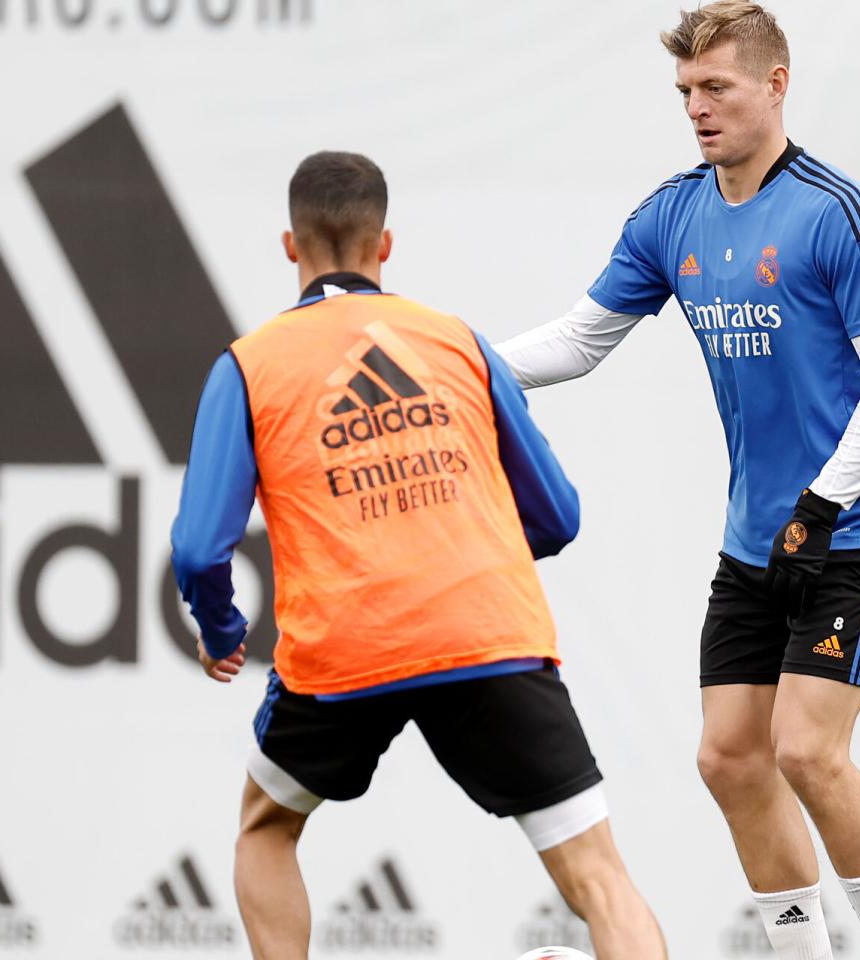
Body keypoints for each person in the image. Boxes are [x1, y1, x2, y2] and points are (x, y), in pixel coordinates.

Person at [495, 4, 860, 959]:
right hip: (758, 538)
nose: (697, 108)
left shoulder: (835, 213)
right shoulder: (672, 214)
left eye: (716, 88)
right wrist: (455, 361)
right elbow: (579, 340)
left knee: (808, 751)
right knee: (730, 757)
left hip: (858, 529)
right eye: (686, 92)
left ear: (776, 86)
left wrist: (823, 500)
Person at [171, 151, 666, 960]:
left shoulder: (249, 365)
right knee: (600, 877)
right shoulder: (455, 342)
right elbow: (558, 516)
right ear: (386, 245)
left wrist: (224, 632)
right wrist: (466, 557)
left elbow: (198, 547)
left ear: (290, 248)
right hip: (488, 632)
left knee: (265, 828)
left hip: (345, 649)